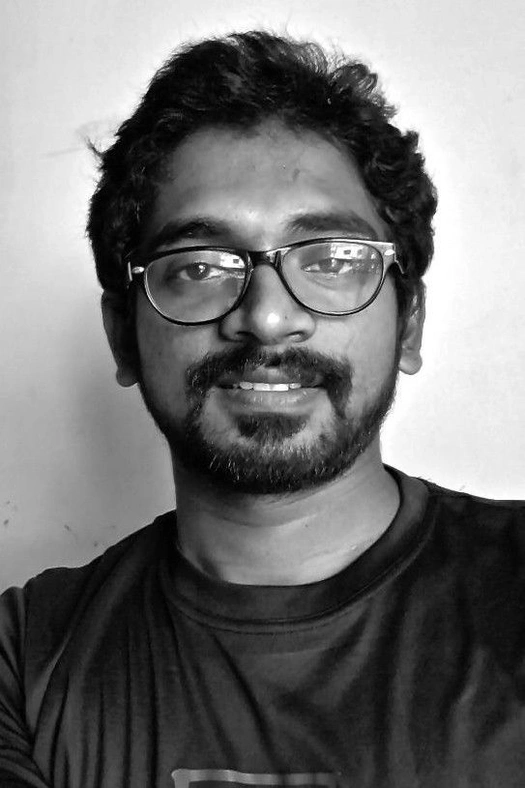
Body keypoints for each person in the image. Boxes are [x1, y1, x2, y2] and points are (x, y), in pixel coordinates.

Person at [1, 29, 524, 788]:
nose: (268, 318)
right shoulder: (24, 659)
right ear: (123, 334)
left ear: (408, 323)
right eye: (200, 267)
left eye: (332, 260)